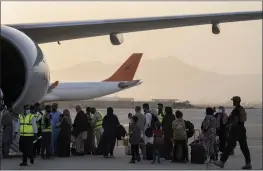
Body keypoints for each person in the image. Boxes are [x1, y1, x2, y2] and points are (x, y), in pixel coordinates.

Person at [214, 96, 252, 169]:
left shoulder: (236, 110)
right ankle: (248, 163)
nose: (233, 102)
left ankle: (221, 162)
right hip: (242, 130)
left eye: (234, 101)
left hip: (236, 130)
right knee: (244, 147)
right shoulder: (242, 109)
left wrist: (229, 125)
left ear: (236, 101)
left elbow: (234, 121)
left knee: (229, 146)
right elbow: (243, 119)